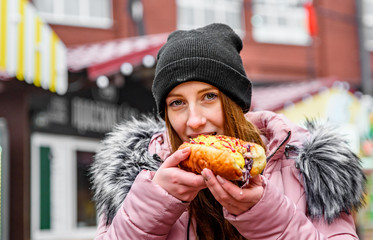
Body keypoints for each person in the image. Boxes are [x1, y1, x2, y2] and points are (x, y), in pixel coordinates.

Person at [90, 23, 366, 239]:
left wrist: (265, 215)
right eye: (177, 103)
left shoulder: (309, 168)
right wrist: (153, 204)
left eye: (209, 97)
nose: (194, 121)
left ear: (236, 104)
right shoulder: (134, 175)